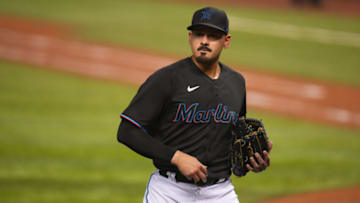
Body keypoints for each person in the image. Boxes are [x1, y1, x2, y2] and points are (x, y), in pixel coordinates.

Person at [117, 6, 272, 203]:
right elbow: (127, 131)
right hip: (169, 191)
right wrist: (176, 157)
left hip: (219, 193)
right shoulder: (167, 79)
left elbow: (234, 142)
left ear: (226, 41)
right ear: (190, 37)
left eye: (213, 35)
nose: (205, 41)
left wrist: (251, 163)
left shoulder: (237, 83)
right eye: (199, 34)